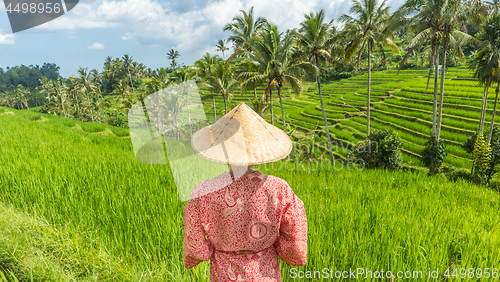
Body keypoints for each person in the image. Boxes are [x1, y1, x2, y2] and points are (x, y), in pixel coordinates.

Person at [184, 102, 307, 281]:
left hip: (223, 273)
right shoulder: (279, 189)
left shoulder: (203, 191)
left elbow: (196, 249)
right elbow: (296, 247)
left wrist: (212, 248)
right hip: (265, 272)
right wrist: (274, 245)